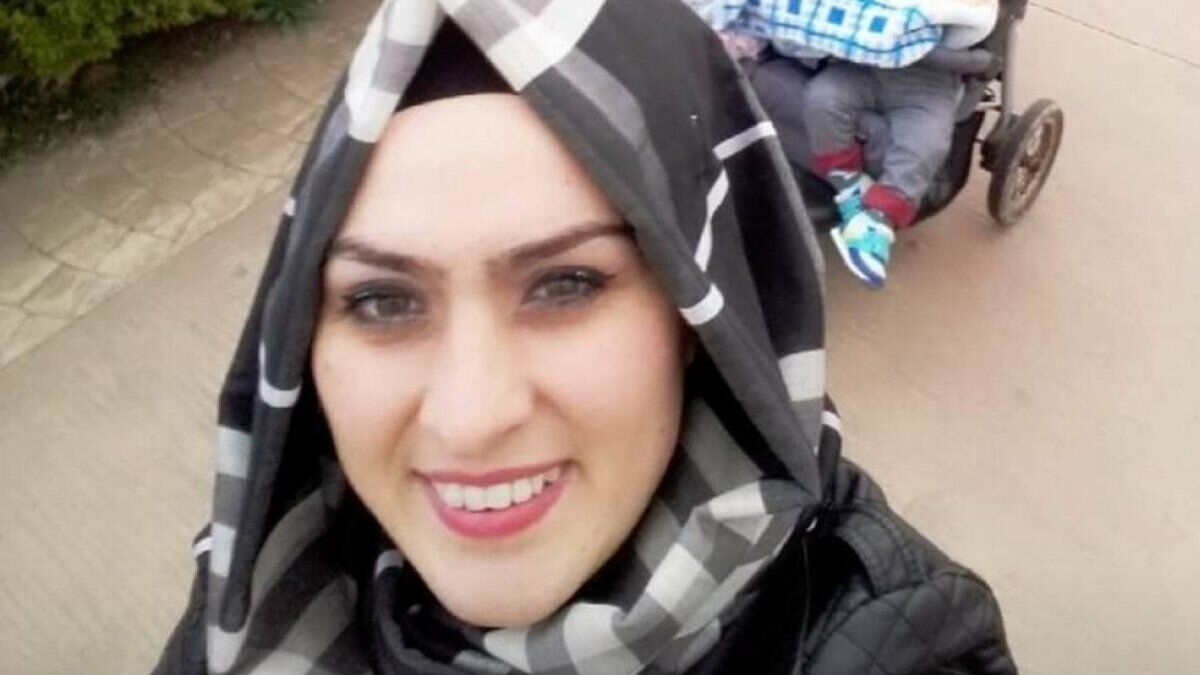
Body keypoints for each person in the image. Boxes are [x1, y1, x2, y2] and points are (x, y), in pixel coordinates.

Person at [154, 1, 1016, 673]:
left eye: (565, 284)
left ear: (697, 316)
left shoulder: (889, 628)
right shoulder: (251, 583)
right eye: (382, 302)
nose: (470, 419)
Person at [689, 0, 998, 289]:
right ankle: (848, 180)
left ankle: (880, 215)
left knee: (925, 140)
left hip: (928, 83)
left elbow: (971, 16)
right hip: (858, 66)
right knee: (823, 97)